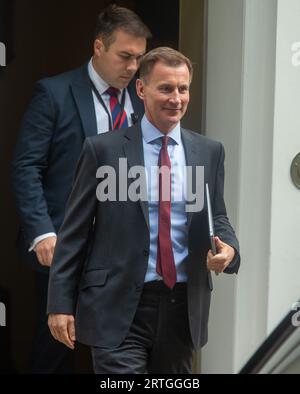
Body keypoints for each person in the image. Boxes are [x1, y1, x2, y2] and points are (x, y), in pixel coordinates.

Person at [47, 47, 240, 374]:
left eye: (183, 89)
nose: (176, 98)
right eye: (165, 88)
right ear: (140, 89)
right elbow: (75, 231)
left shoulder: (209, 151)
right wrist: (60, 304)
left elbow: (216, 216)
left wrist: (229, 249)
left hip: (182, 308)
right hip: (117, 305)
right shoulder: (103, 150)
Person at [12, 5, 151, 373]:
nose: (133, 67)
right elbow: (27, 166)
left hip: (124, 251)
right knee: (54, 352)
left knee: (122, 350)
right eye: (125, 56)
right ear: (99, 47)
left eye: (139, 58)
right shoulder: (54, 93)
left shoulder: (143, 99)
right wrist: (42, 232)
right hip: (64, 246)